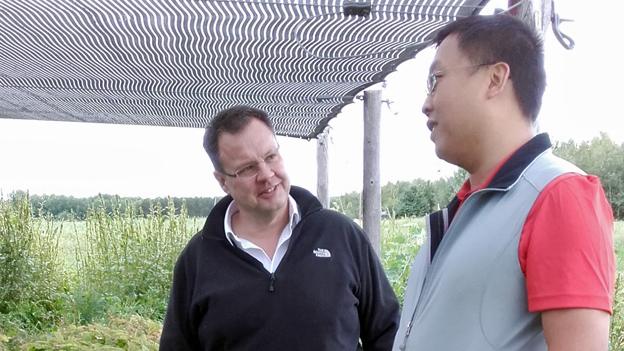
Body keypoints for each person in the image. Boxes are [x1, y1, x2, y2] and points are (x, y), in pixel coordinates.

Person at [393, 15, 615, 351]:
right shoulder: (463, 212)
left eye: (436, 79)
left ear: (495, 79)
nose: (426, 104)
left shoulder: (557, 195)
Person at [160, 105, 399, 350]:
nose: (266, 174)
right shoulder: (198, 260)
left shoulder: (340, 235)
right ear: (223, 181)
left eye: (270, 156)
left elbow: (387, 331)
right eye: (248, 168)